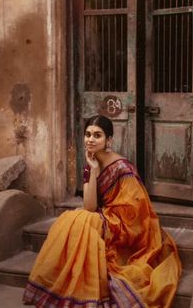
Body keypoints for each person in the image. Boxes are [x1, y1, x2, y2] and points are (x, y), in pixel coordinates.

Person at [23, 114, 181, 308]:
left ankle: (78, 290)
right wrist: (93, 169)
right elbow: (90, 206)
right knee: (73, 219)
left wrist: (103, 216)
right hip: (106, 216)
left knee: (80, 220)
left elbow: (136, 213)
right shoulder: (92, 162)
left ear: (109, 140)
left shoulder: (122, 168)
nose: (91, 139)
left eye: (97, 135)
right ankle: (64, 288)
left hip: (125, 226)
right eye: (88, 134)